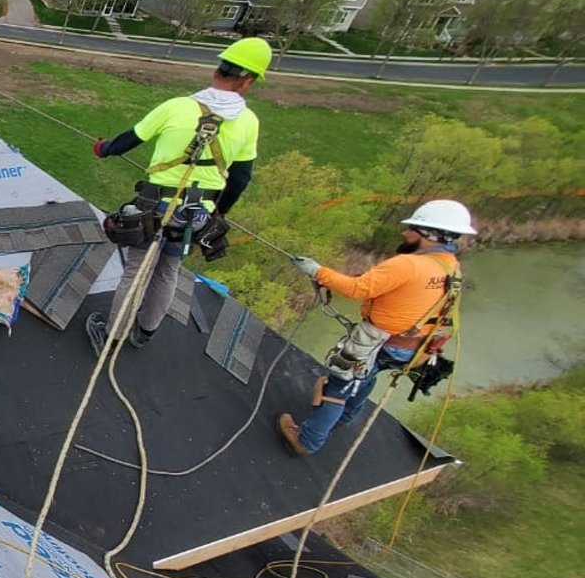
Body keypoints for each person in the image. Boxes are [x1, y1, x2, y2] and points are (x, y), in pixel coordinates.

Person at [83, 38, 273, 353]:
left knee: (136, 270)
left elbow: (131, 138)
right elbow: (240, 178)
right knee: (168, 270)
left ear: (217, 70)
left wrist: (103, 149)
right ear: (247, 82)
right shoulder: (248, 122)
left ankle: (112, 335)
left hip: (155, 207)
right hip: (196, 215)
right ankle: (144, 333)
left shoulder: (177, 107)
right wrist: (219, 213)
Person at [277, 200, 474, 456]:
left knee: (337, 386)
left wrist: (316, 271)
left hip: (379, 341)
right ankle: (345, 417)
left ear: (429, 235)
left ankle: (307, 441)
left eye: (412, 228)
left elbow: (356, 289)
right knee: (367, 376)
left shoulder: (406, 265)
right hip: (415, 348)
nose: (405, 232)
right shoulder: (450, 266)